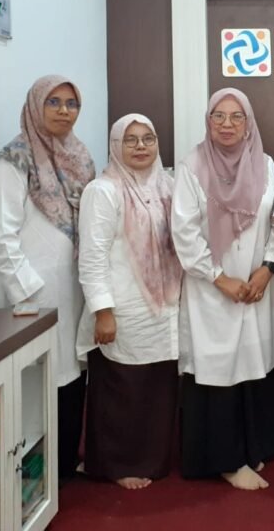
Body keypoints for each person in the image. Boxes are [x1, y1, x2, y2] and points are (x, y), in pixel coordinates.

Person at [172, 89, 274, 491]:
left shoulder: (266, 164)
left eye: (236, 116)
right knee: (218, 370)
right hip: (211, 291)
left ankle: (252, 447)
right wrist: (219, 278)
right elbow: (184, 233)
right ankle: (225, 459)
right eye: (218, 116)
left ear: (248, 122)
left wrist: (268, 268)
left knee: (255, 365)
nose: (227, 124)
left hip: (257, 286)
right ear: (208, 122)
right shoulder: (191, 167)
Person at [0, 75, 95, 482]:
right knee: (37, 383)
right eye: (54, 102)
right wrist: (27, 296)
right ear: (35, 105)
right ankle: (34, 477)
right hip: (34, 294)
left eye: (71, 103)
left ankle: (64, 466)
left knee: (72, 375)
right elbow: (3, 237)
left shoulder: (79, 156)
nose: (64, 111)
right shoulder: (13, 159)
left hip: (75, 286)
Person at [75, 114, 181, 490]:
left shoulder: (168, 186)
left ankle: (153, 458)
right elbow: (92, 258)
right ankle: (116, 463)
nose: (140, 147)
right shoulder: (103, 191)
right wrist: (103, 312)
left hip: (165, 306)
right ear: (115, 146)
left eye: (147, 138)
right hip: (123, 306)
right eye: (130, 140)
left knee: (156, 386)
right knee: (123, 388)